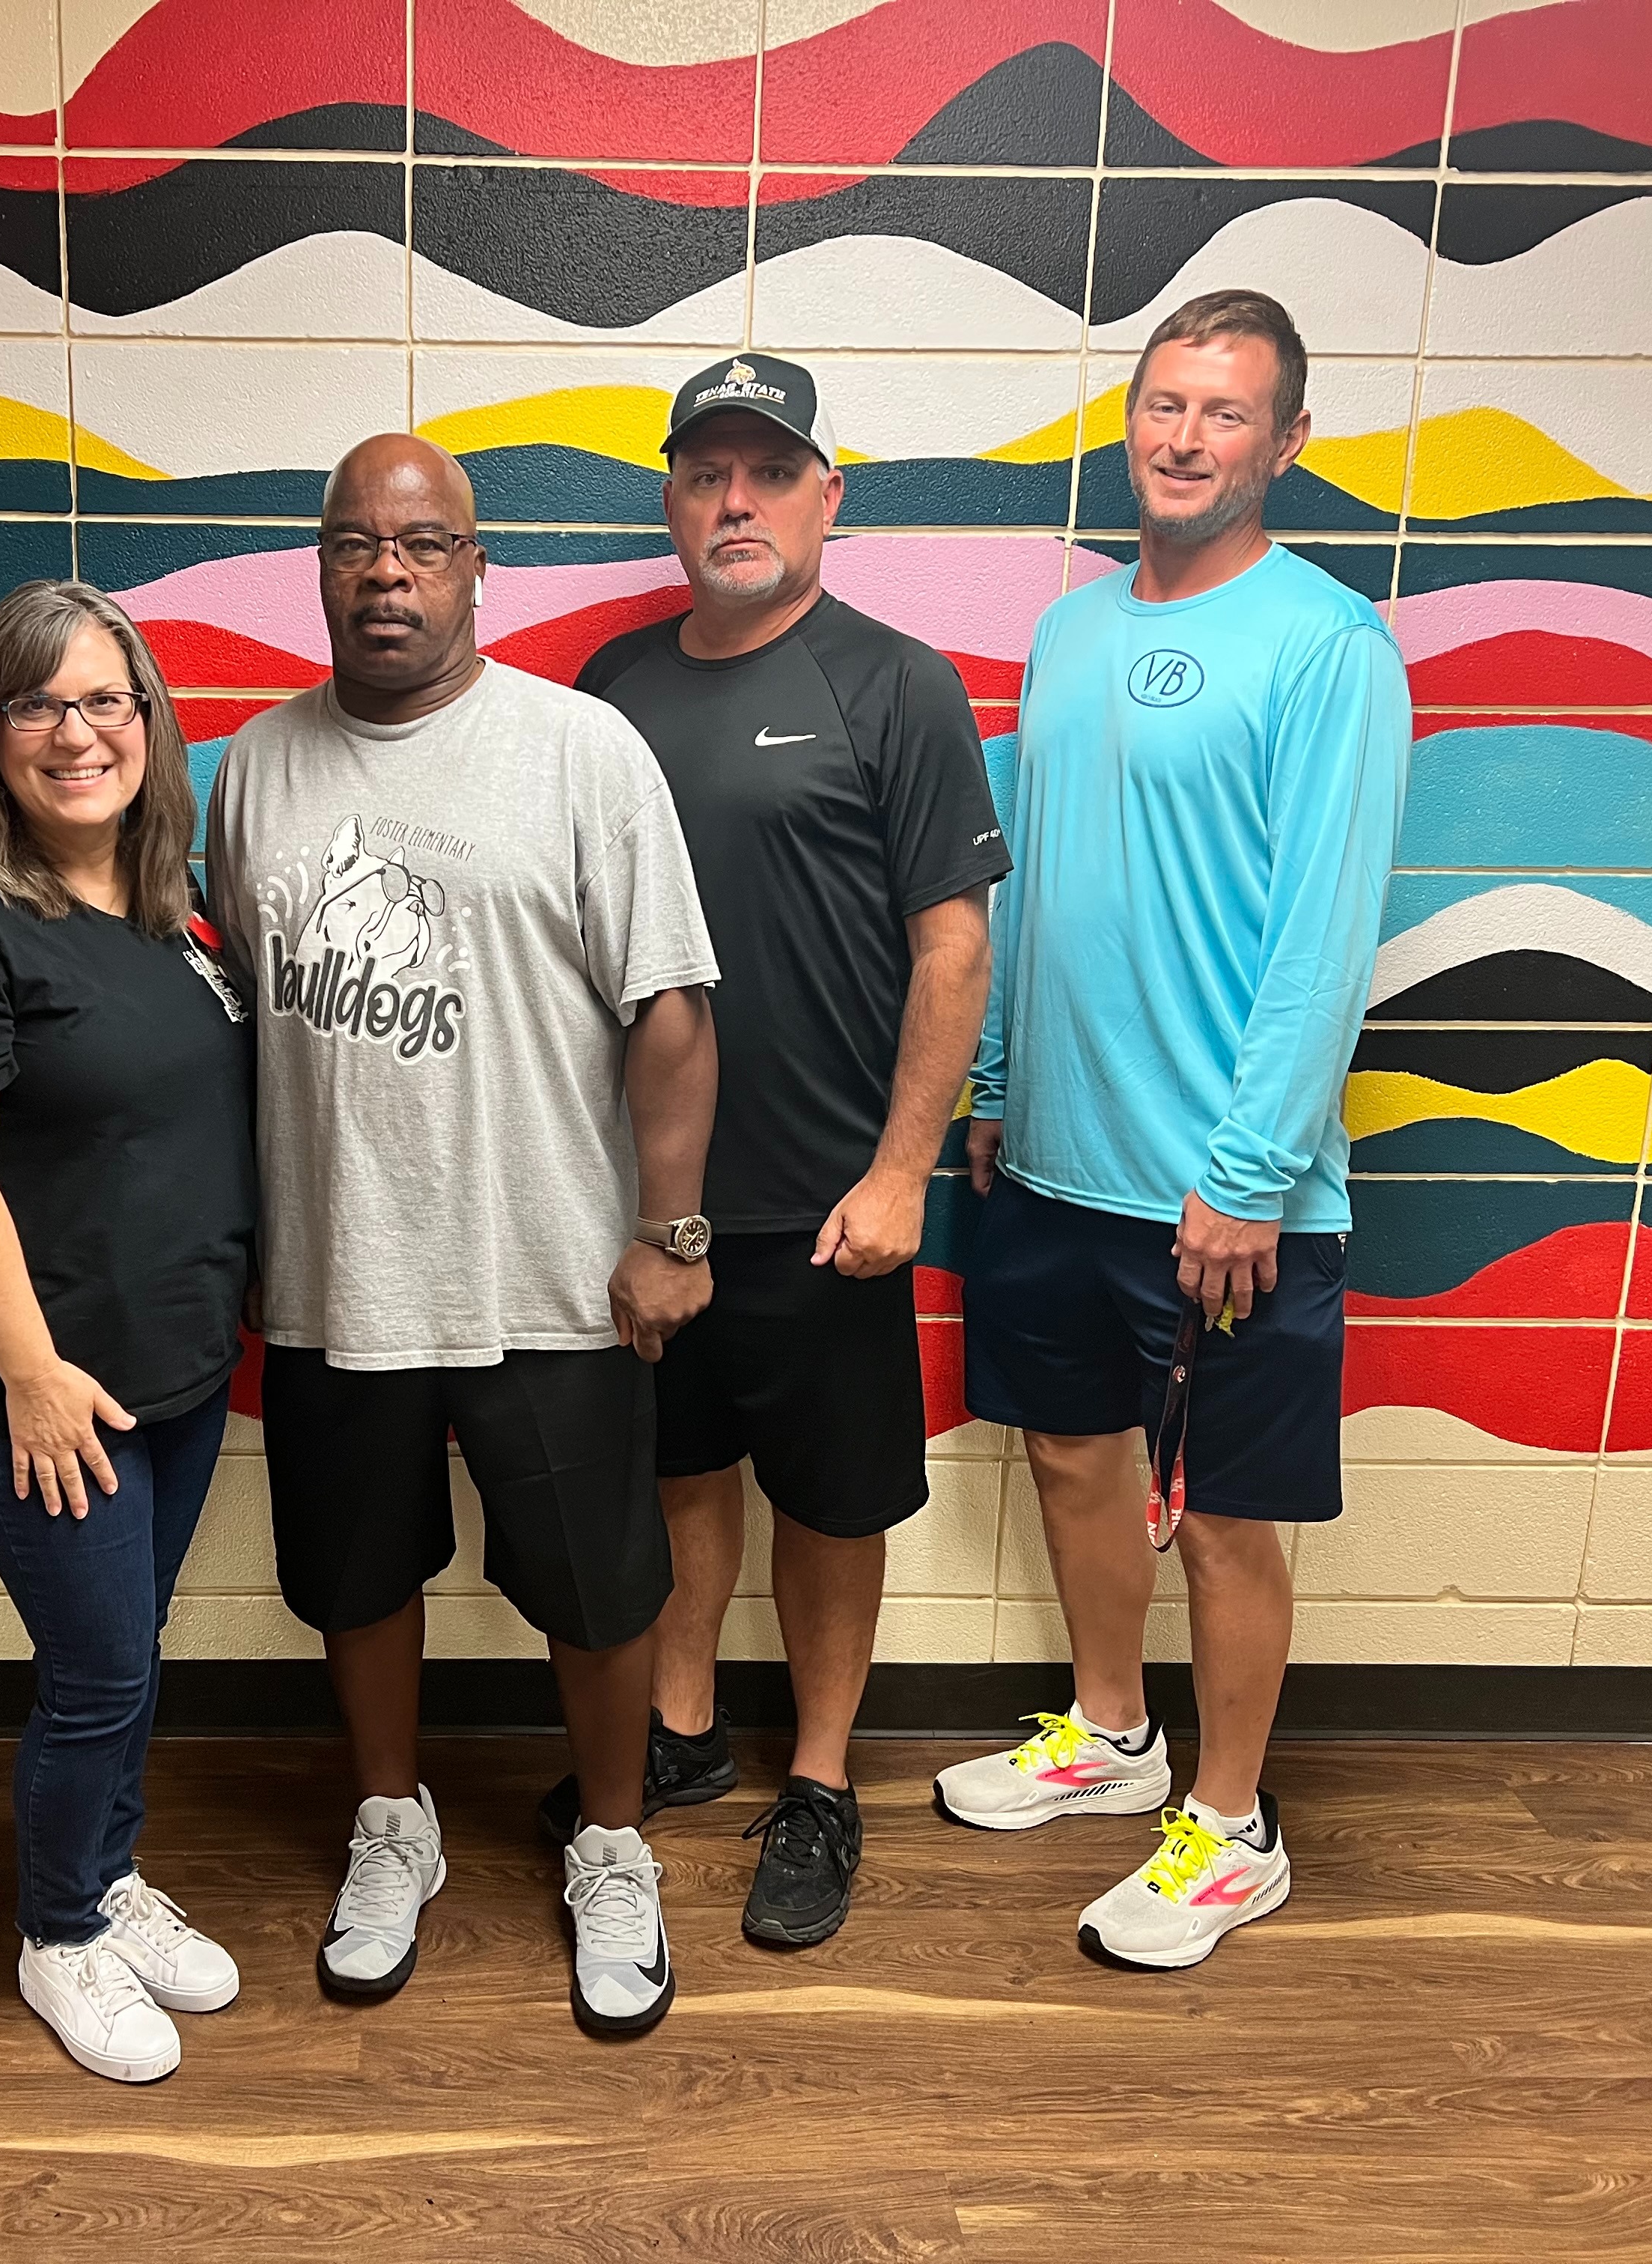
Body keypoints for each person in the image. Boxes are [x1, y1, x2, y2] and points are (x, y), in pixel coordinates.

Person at [204, 436, 722, 2039]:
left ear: (476, 566)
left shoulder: (581, 750)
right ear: (319, 566)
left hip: (550, 1272)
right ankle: (391, 1825)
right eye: (354, 543)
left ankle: (616, 1847)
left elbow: (675, 1014)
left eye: (423, 545)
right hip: (337, 1274)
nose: (386, 572)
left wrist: (668, 1230)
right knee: (357, 1579)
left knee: (598, 1589)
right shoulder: (257, 768)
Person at [938, 291, 1412, 1971]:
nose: (1185, 437)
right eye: (1162, 406)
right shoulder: (1070, 633)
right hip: (1056, 1165)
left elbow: (1322, 935)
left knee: (1222, 1515)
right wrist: (993, 1089)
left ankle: (1228, 1823)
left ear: (1287, 443)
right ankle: (1112, 1730)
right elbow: (1028, 876)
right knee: (1072, 1460)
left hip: (1232, 1197)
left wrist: (1248, 1170)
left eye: (1225, 413)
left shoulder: (1331, 647)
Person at [573, 353, 1005, 1949]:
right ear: (675, 501)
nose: (735, 501)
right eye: (707, 475)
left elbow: (952, 948)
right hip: (655, 1210)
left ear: (829, 496)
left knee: (829, 1504)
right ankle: (681, 1735)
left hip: (833, 1206)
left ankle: (818, 1781)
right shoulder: (612, 692)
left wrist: (903, 1173)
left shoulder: (896, 684)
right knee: (679, 1475)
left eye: (769, 473)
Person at [0, 581, 255, 2085]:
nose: (77, 732)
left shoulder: (171, 915)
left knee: (129, 1657)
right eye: (38, 702)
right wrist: (30, 1374)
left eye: (106, 700)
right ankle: (58, 1932)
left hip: (175, 1370)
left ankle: (105, 1873)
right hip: (44, 1388)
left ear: (150, 726)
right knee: (96, 1671)